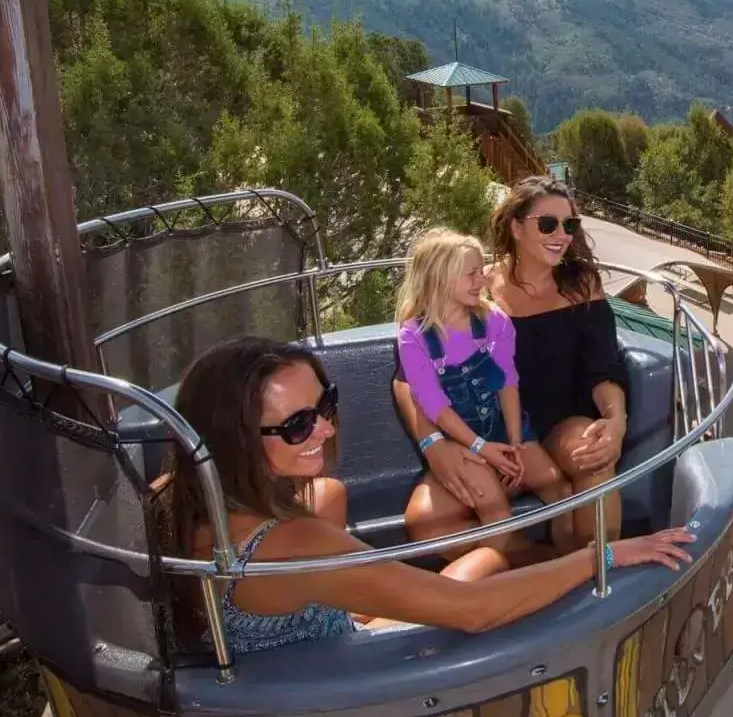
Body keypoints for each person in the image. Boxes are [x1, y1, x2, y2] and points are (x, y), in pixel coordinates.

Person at [162, 335, 694, 655]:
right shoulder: (294, 547)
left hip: (286, 643)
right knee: (486, 560)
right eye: (298, 425)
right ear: (232, 437)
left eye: (326, 406)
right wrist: (601, 555)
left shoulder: (177, 493)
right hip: (349, 668)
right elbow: (473, 611)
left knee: (330, 494)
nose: (325, 430)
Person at [395, 228, 574, 553]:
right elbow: (434, 405)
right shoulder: (414, 337)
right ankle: (493, 585)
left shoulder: (495, 322)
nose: (481, 280)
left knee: (559, 490)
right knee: (495, 510)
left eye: (481, 271)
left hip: (504, 428)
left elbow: (508, 381)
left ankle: (571, 562)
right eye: (471, 274)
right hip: (462, 440)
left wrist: (516, 443)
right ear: (438, 279)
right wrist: (481, 447)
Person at [489, 176, 631, 547]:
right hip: (500, 426)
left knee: (592, 454)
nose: (562, 235)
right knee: (428, 520)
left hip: (561, 422)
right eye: (548, 224)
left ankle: (599, 577)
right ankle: (546, 572)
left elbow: (602, 368)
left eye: (569, 225)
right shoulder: (483, 290)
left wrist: (615, 420)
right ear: (516, 227)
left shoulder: (581, 285)